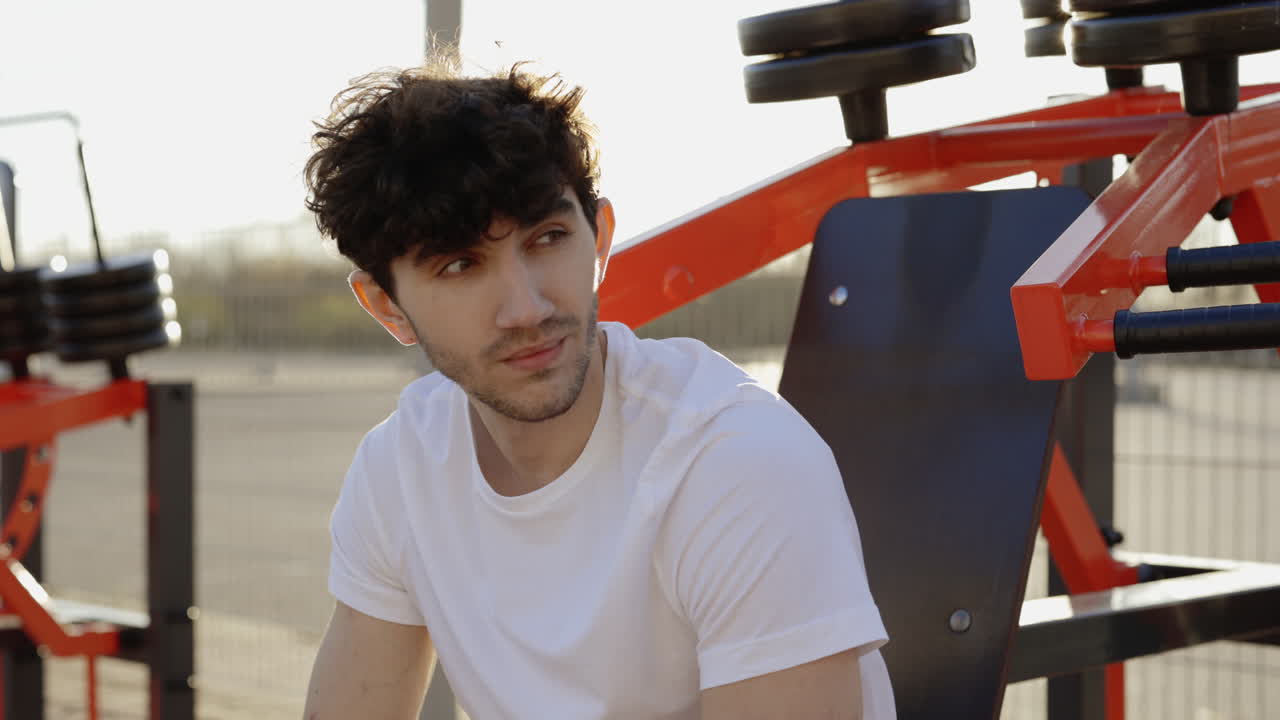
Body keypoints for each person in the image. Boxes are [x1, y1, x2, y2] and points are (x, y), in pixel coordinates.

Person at [301, 56, 895, 720]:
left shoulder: (736, 464)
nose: (525, 307)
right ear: (386, 305)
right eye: (460, 264)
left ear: (601, 239)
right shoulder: (401, 471)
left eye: (548, 238)